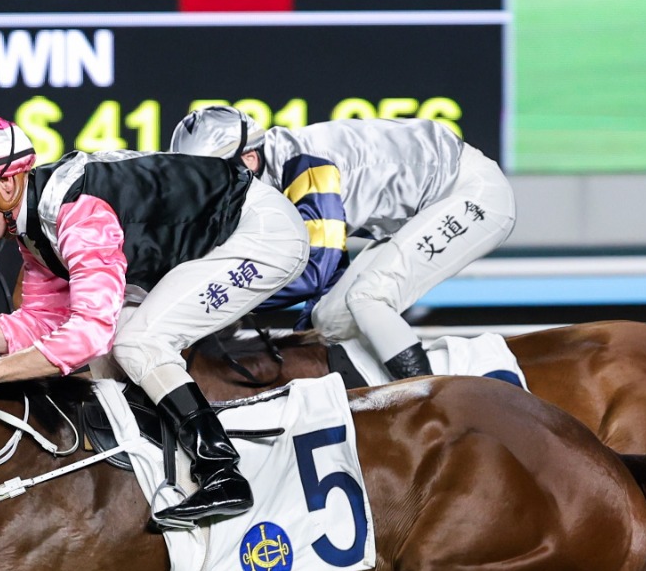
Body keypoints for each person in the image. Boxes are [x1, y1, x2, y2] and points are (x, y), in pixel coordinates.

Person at [0, 113, 309, 526]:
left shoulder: (78, 213)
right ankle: (159, 470)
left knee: (135, 342)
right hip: (211, 239)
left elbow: (88, 333)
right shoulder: (33, 228)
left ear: (7, 185)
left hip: (263, 233)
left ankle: (222, 473)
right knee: (113, 353)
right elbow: (39, 323)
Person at [170, 106, 516, 380]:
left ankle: (433, 404)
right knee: (327, 320)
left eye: (211, 179)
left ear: (249, 159)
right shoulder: (273, 174)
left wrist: (225, 301)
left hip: (470, 192)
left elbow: (313, 271)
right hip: (423, 209)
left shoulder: (305, 166)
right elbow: (329, 270)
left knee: (368, 298)